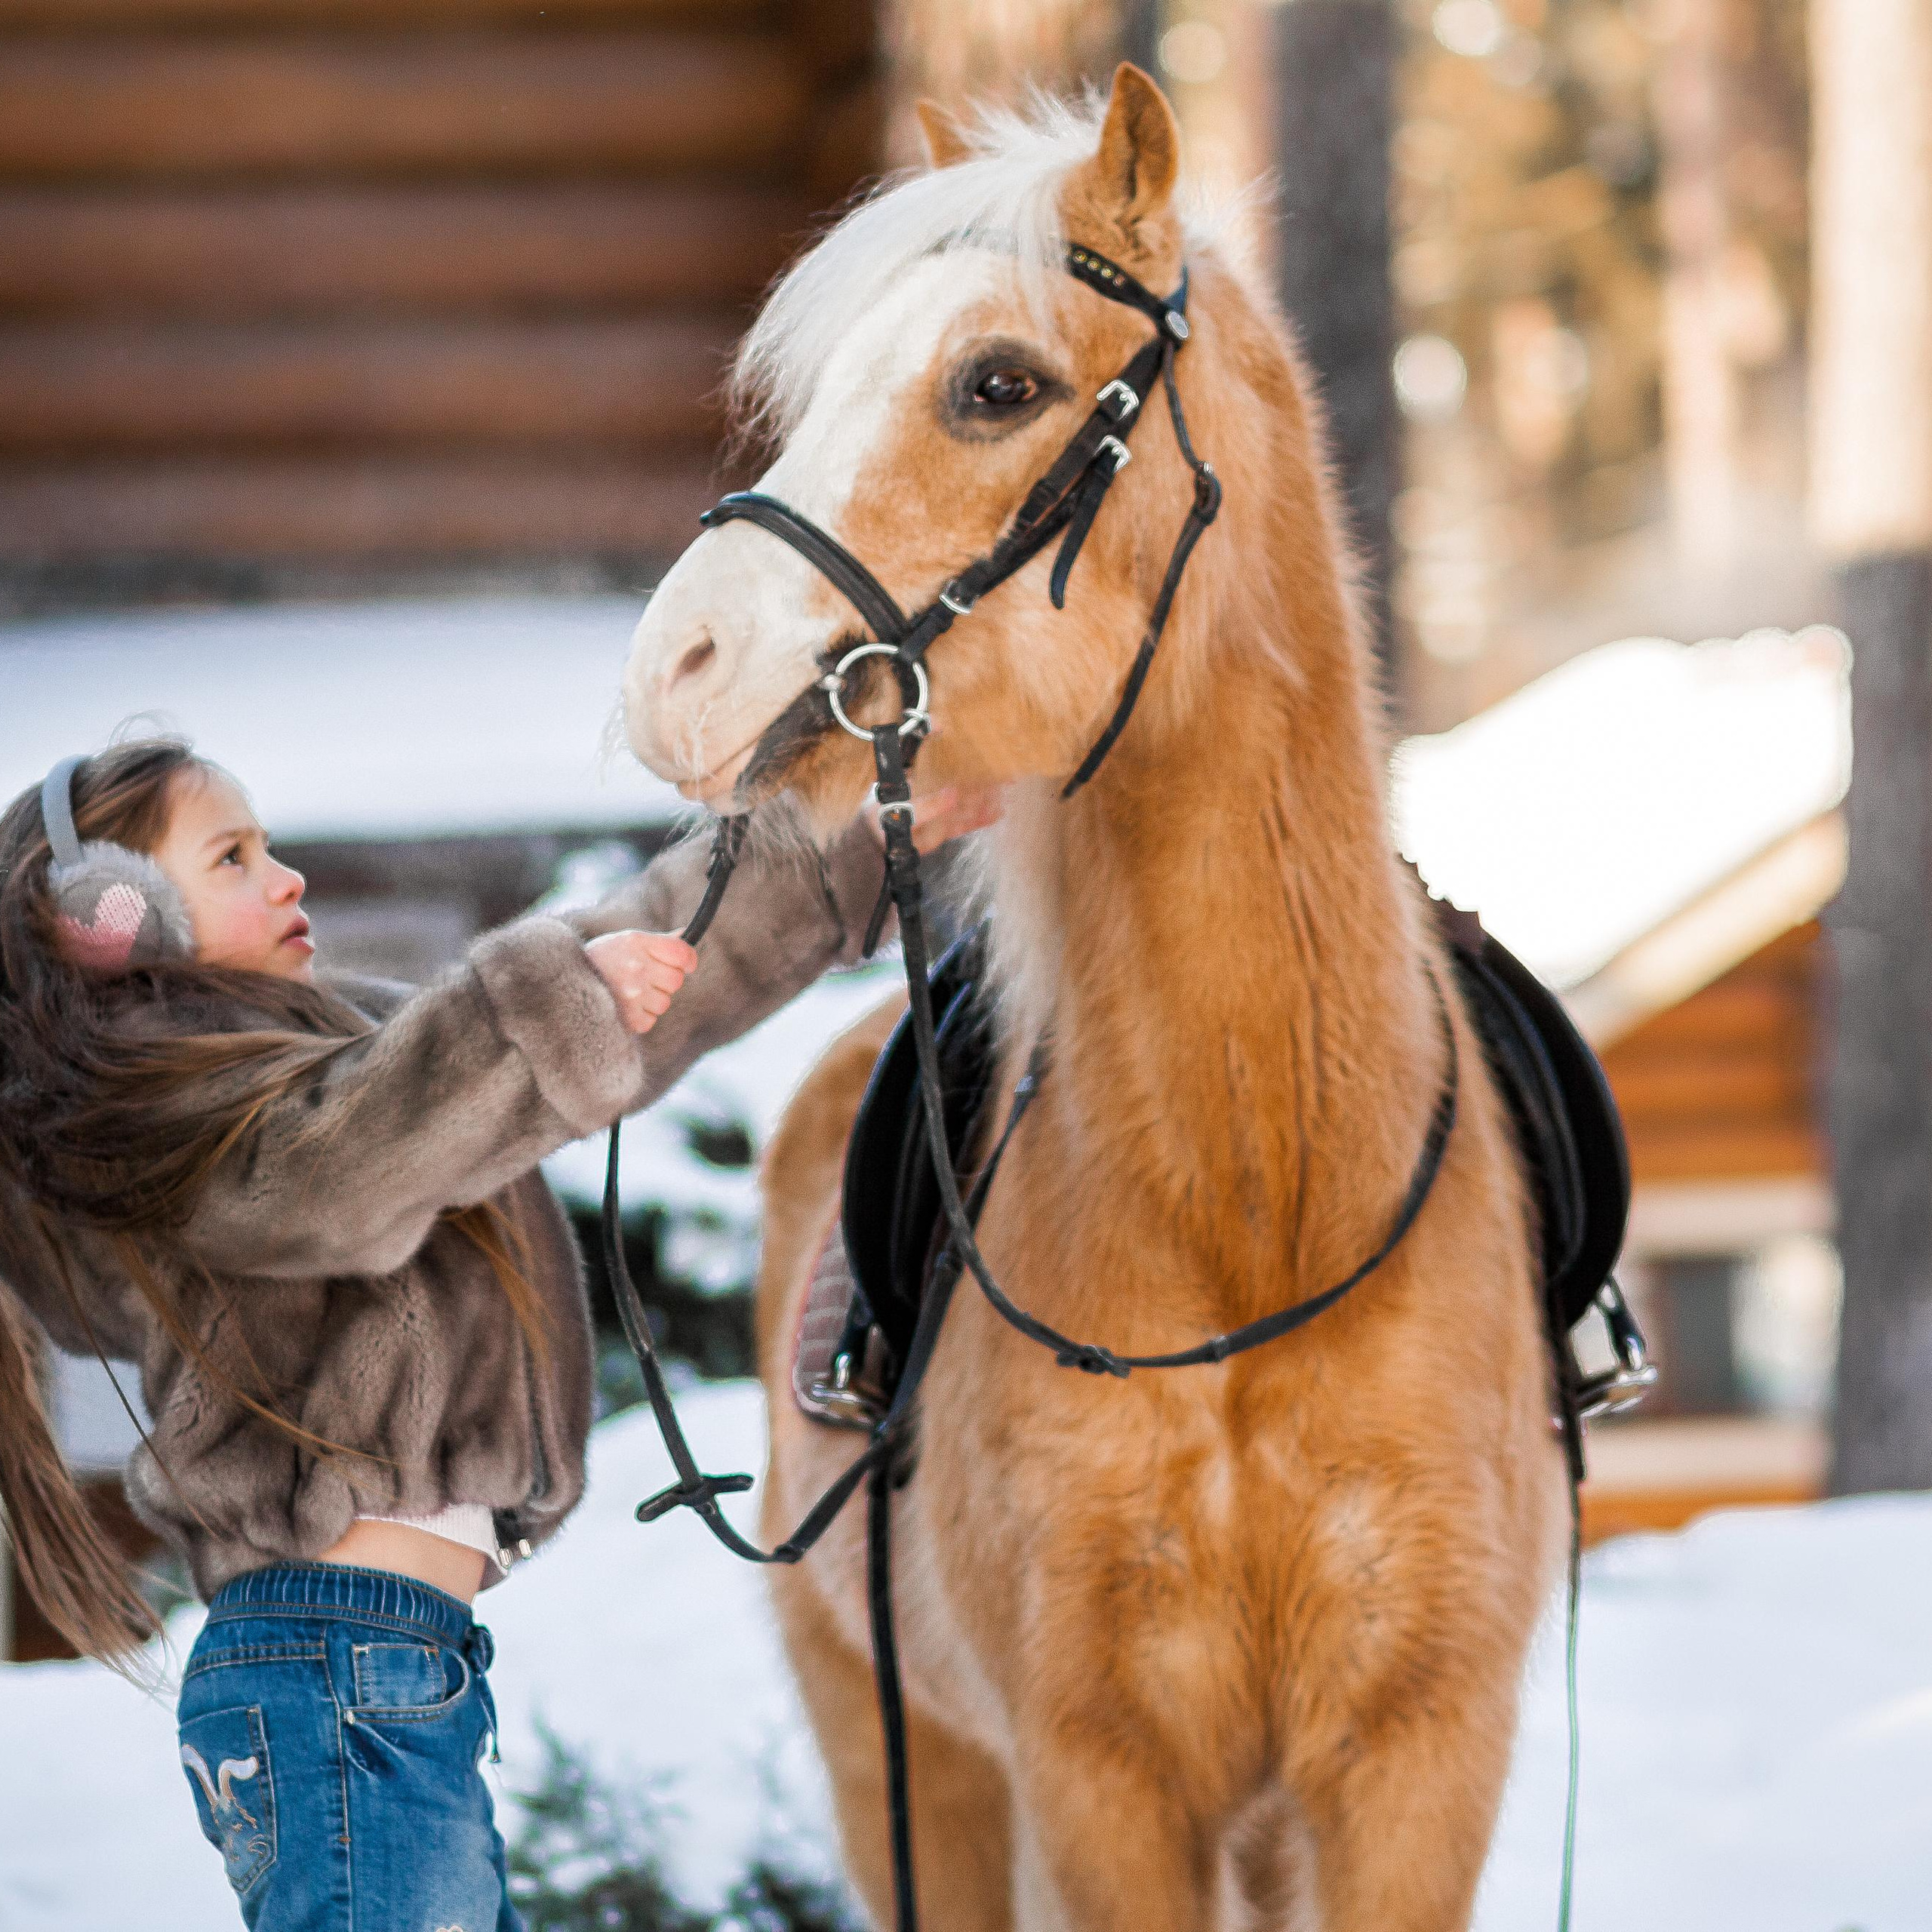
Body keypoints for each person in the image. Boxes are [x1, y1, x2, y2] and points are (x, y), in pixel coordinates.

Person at [0, 735, 993, 1932]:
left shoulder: (338, 1066)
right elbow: (345, 1164)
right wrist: (553, 1008)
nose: (287, 878)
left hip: (383, 1667)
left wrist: (850, 841)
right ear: (115, 921)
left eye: (268, 845)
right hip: (334, 1674)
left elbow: (570, 1019)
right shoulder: (179, 1128)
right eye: (231, 857)